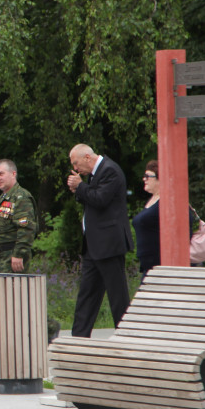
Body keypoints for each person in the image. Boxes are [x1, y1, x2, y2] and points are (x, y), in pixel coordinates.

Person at [66, 144, 134, 338]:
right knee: (87, 294)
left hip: (109, 244)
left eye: (76, 163)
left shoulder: (110, 170)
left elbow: (101, 199)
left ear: (87, 157)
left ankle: (126, 337)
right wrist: (78, 189)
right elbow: (91, 200)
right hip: (93, 245)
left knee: (117, 295)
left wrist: (80, 186)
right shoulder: (94, 174)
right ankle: (78, 338)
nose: (76, 168)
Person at [131, 159, 198, 275]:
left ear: (160, 178)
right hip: (148, 265)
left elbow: (186, 223)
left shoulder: (169, 200)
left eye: (148, 176)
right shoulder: (153, 200)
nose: (144, 179)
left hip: (163, 265)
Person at [0, 159, 38, 275]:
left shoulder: (21, 197)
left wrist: (19, 254)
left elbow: (26, 228)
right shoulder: (2, 198)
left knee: (14, 291)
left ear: (13, 174)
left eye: (1, 174)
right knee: (0, 292)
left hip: (12, 255)